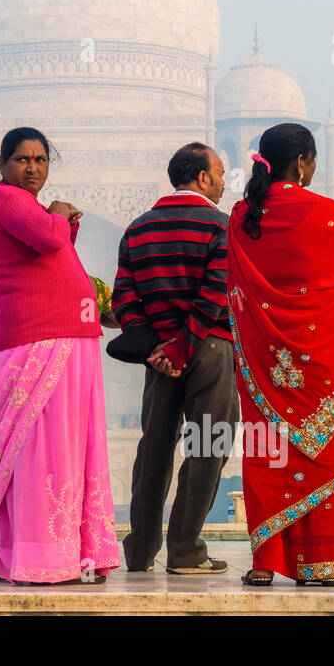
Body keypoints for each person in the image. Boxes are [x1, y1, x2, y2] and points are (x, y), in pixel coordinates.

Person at [0, 127, 120, 585]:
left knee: (61, 452)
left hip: (64, 338)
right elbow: (50, 241)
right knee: (40, 454)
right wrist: (57, 214)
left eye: (40, 159)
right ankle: (43, 556)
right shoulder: (5, 200)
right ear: (2, 165)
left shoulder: (21, 206)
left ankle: (19, 554)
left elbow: (51, 250)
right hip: (38, 341)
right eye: (22, 159)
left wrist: (58, 220)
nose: (32, 168)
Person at [229, 123, 334, 587]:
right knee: (319, 455)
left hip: (266, 361)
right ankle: (325, 563)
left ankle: (265, 561)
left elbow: (238, 294)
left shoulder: (241, 215)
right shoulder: (327, 212)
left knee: (269, 455)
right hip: (321, 358)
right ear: (303, 161)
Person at [112, 142, 236, 575]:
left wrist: (156, 349)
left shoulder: (137, 229)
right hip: (211, 350)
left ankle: (140, 551)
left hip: (158, 359)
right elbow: (215, 293)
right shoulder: (223, 226)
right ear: (202, 178)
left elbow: (123, 299)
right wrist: (183, 347)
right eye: (219, 174)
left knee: (154, 449)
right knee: (207, 447)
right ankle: (185, 550)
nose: (223, 182)